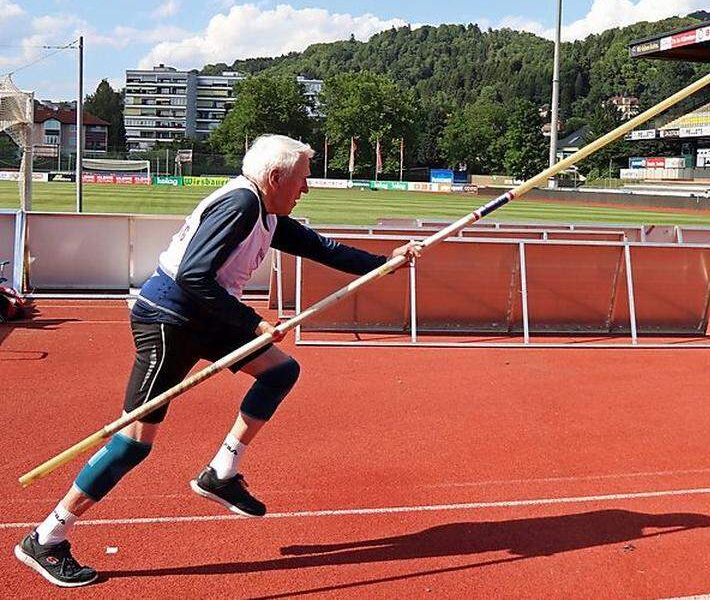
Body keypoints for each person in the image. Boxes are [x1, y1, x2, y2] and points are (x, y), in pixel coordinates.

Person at [14, 135, 420, 588]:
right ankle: (47, 537)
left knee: (280, 370)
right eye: (302, 180)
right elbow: (191, 275)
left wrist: (386, 262)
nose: (306, 189)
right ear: (276, 177)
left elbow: (320, 247)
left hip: (205, 314)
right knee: (133, 441)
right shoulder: (242, 205)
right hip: (170, 320)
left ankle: (221, 471)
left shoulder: (266, 209)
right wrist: (252, 322)